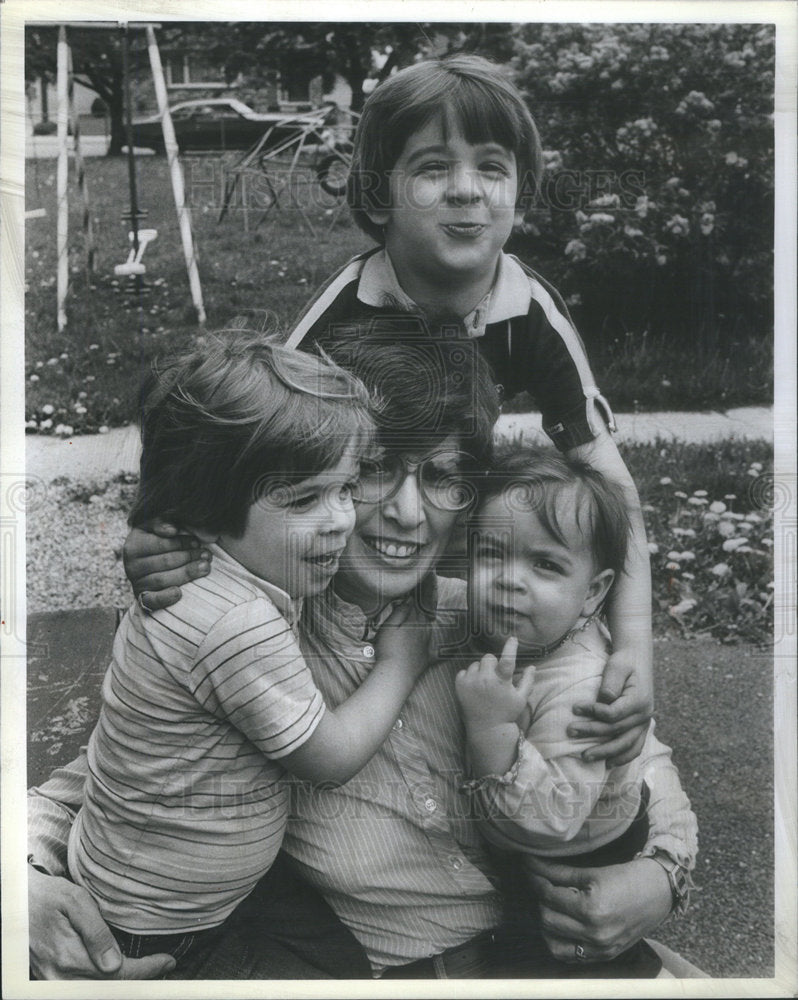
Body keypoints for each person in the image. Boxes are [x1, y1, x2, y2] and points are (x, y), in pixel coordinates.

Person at [28, 328, 698, 980]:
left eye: (442, 477)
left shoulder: (497, 619)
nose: (408, 513)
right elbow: (104, 781)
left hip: (549, 959)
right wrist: (19, 887)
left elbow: (631, 750)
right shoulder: (256, 647)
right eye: (374, 471)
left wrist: (662, 874)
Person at [51, 333, 442, 975]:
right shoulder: (236, 622)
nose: (340, 520)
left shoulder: (215, 574)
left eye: (345, 488)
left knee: (336, 961)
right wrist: (401, 660)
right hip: (159, 930)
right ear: (202, 512)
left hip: (170, 888)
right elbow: (329, 758)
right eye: (303, 499)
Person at [453, 446, 696, 976]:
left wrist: (492, 731)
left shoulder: (585, 687)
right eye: (492, 553)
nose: (509, 580)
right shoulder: (526, 634)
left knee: (554, 970)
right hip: (544, 856)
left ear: (593, 595)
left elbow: (552, 819)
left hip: (576, 872)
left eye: (545, 564)